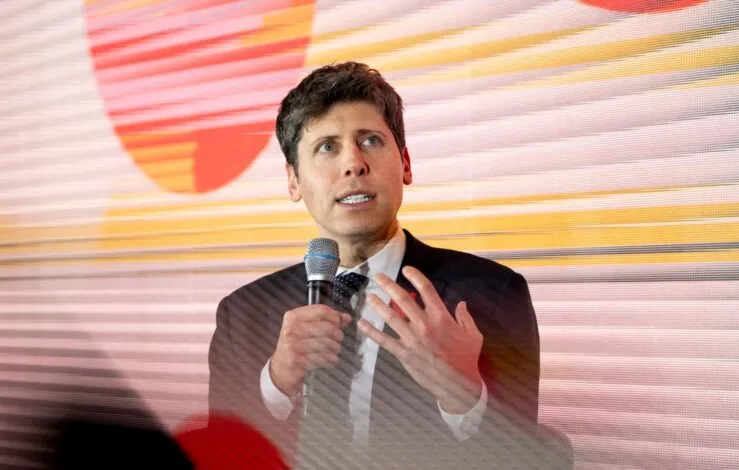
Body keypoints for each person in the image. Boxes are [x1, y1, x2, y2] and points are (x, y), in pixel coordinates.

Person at [209, 62, 568, 469]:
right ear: (293, 180)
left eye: (371, 141)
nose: (354, 164)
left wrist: (463, 395)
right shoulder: (242, 315)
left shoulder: (490, 294)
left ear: (406, 164)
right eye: (327, 146)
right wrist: (276, 382)